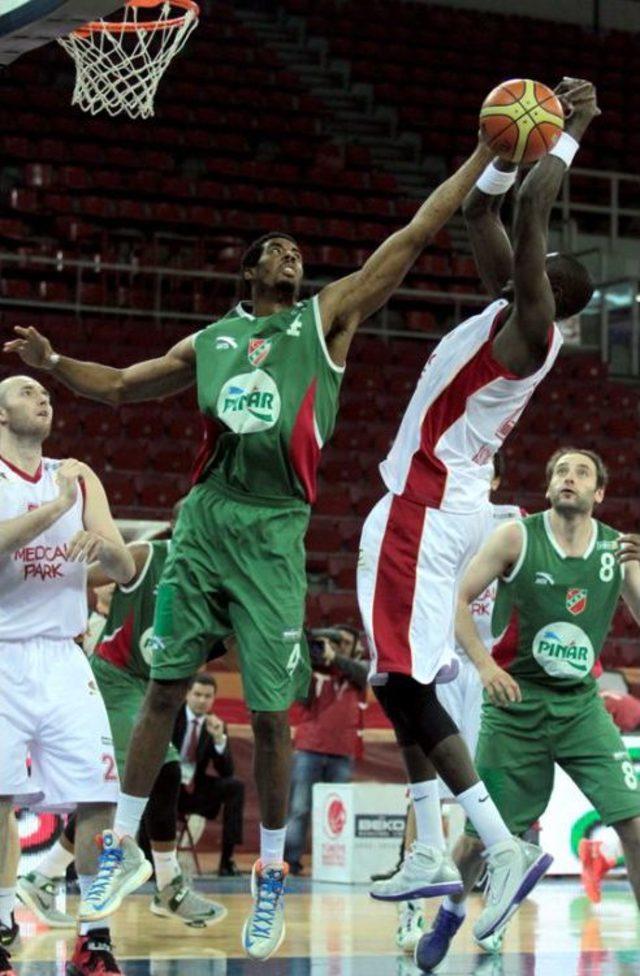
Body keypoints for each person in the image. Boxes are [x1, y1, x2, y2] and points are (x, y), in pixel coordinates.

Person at [4, 106, 499, 960]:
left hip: (275, 529)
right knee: (164, 687)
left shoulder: (326, 318)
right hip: (205, 519)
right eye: (276, 249)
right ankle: (118, 848)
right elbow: (123, 386)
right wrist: (54, 367)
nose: (292, 255)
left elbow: (415, 234)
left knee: (271, 715)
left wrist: (484, 154)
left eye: (297, 251)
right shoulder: (215, 338)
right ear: (247, 270)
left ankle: (271, 874)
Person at [357, 77, 599, 948]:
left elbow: (533, 215)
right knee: (398, 677)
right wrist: (499, 153)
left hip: (427, 504)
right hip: (446, 502)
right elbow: (484, 221)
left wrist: (565, 131)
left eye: (547, 267)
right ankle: (431, 850)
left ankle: (492, 848)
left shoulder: (534, 325)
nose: (540, 260)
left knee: (399, 675)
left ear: (555, 294)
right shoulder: (510, 304)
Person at [416, 448, 640, 969]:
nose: (570, 477)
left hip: (581, 707)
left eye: (583, 472)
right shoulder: (516, 536)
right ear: (548, 488)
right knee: (475, 842)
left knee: (633, 822)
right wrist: (484, 666)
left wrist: (637, 572)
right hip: (515, 703)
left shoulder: (615, 549)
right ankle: (449, 914)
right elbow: (460, 601)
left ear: (599, 493)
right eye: (560, 470)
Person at [17, 514, 225, 930]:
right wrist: (89, 605)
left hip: (149, 686)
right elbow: (73, 579)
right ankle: (168, 885)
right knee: (161, 771)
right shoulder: (147, 555)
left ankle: (46, 876)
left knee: (122, 792)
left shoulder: (216, 578)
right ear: (180, 528)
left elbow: (211, 643)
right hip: (111, 679)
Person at [0, 374, 136, 976]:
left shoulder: (79, 476)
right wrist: (52, 510)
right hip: (2, 652)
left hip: (63, 653)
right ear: (1, 414)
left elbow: (125, 566)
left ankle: (96, 937)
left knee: (98, 795)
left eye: (45, 393)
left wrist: (97, 545)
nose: (42, 397)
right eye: (26, 391)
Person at [394, 452, 524, 954]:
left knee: (490, 797)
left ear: (495, 477)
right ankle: (410, 911)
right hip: (442, 661)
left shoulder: (514, 525)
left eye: (484, 468)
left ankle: (491, 912)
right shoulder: (431, 517)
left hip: (490, 667)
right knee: (425, 792)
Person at [284, 626, 368, 873]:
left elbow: (363, 675)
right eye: (334, 642)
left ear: (355, 647)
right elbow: (300, 696)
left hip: (342, 750)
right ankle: (291, 862)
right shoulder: (311, 668)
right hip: (309, 746)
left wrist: (336, 659)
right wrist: (310, 654)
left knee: (336, 811)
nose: (337, 646)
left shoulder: (358, 670)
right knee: (299, 808)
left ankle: (334, 865)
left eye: (344, 643)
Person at [174, 673, 244, 877]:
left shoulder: (215, 725)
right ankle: (151, 862)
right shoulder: (172, 717)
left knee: (235, 787)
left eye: (207, 696)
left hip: (194, 788)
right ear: (187, 694)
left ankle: (227, 860)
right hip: (168, 786)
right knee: (155, 787)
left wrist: (219, 739)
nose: (202, 700)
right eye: (197, 694)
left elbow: (227, 771)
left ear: (214, 698)